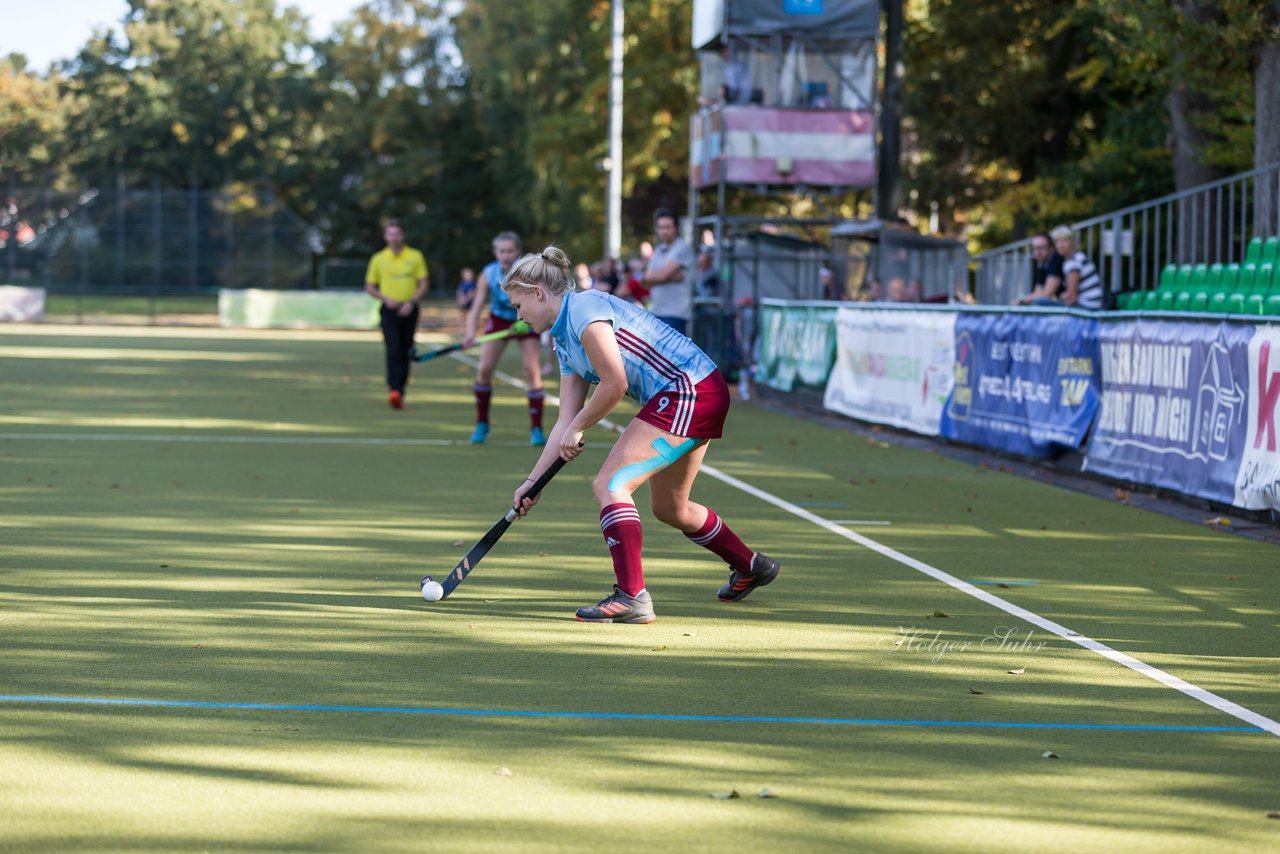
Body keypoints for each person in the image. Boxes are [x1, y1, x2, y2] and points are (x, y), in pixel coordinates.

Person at [503, 246, 780, 624]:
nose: (518, 317)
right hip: (694, 392)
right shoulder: (564, 340)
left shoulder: (584, 310)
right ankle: (751, 566)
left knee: (611, 484)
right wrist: (532, 483)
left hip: (690, 389)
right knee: (670, 508)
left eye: (518, 306)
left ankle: (631, 596)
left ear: (538, 293)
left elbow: (614, 384)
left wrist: (581, 426)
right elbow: (565, 421)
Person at [463, 231, 547, 446]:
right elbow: (476, 306)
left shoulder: (528, 273)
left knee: (531, 370)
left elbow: (540, 301)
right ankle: (482, 424)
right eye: (502, 251)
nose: (506, 255)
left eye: (510, 251)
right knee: (484, 369)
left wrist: (524, 320)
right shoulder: (488, 274)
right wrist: (471, 332)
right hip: (499, 320)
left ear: (518, 252)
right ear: (496, 253)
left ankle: (536, 428)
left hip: (526, 319)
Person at [364, 219, 428, 410]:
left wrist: (411, 302)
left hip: (410, 310)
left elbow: (423, 284)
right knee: (393, 348)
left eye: (397, 233)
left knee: (406, 349)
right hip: (389, 311)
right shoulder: (378, 259)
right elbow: (370, 286)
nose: (394, 237)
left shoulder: (415, 256)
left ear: (403, 235)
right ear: (385, 236)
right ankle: (394, 390)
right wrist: (385, 299)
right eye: (390, 234)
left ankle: (401, 390)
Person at [642, 209, 695, 334]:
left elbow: (659, 276)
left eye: (668, 227)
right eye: (661, 227)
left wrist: (659, 277)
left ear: (676, 228)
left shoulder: (683, 248)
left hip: (675, 313)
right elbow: (645, 280)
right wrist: (670, 277)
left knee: (673, 354)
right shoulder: (659, 250)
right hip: (656, 311)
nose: (664, 231)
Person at [1051, 225, 1104, 310]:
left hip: (1087, 307)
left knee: (1040, 302)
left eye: (1064, 241)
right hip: (1093, 305)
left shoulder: (1073, 262)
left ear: (1072, 242)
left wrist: (1059, 297)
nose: (1060, 245)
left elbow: (1071, 298)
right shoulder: (1079, 256)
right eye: (1057, 242)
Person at [1013, 233, 1064, 306]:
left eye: (1042, 248)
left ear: (1051, 248)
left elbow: (1046, 294)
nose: (1038, 252)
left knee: (1038, 303)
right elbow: (1038, 292)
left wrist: (1021, 300)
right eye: (1035, 248)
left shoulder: (1056, 260)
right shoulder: (1042, 263)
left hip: (1078, 308)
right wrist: (1020, 300)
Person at [455, 267, 476, 335]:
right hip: (463, 303)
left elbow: (472, 293)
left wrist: (466, 299)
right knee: (461, 316)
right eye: (466, 274)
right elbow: (459, 292)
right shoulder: (462, 284)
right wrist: (460, 299)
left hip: (470, 303)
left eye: (469, 274)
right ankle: (460, 330)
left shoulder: (472, 284)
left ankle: (469, 330)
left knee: (470, 317)